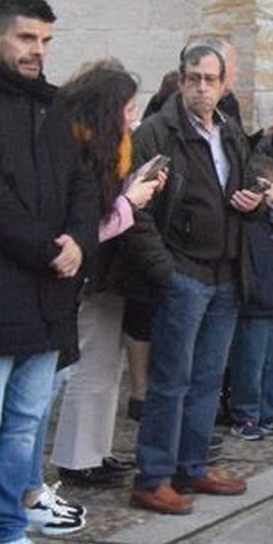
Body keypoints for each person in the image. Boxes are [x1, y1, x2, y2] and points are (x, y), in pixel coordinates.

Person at [0, 0, 97, 544]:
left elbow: (83, 183)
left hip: (48, 296)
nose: (36, 51)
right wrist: (48, 247)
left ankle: (8, 531)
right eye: (25, 39)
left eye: (44, 41)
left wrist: (80, 242)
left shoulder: (55, 104)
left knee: (22, 428)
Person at [124, 43, 264, 515]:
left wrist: (253, 202)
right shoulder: (157, 133)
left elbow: (235, 190)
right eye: (192, 78)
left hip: (224, 271)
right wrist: (165, 271)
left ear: (226, 83)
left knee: (206, 378)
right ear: (180, 80)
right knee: (171, 379)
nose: (200, 87)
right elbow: (136, 209)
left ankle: (192, 463)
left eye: (209, 79)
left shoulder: (228, 132)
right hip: (183, 271)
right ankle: (154, 476)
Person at [49, 63, 167, 493]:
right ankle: (77, 458)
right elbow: (91, 222)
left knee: (106, 365)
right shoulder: (76, 148)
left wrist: (133, 188)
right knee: (90, 366)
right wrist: (130, 200)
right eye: (128, 109)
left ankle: (96, 451)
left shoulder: (106, 148)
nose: (133, 118)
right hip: (90, 272)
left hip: (110, 272)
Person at [229, 154, 273, 443]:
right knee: (251, 363)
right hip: (256, 304)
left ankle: (271, 411)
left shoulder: (272, 221)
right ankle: (246, 414)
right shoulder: (250, 225)